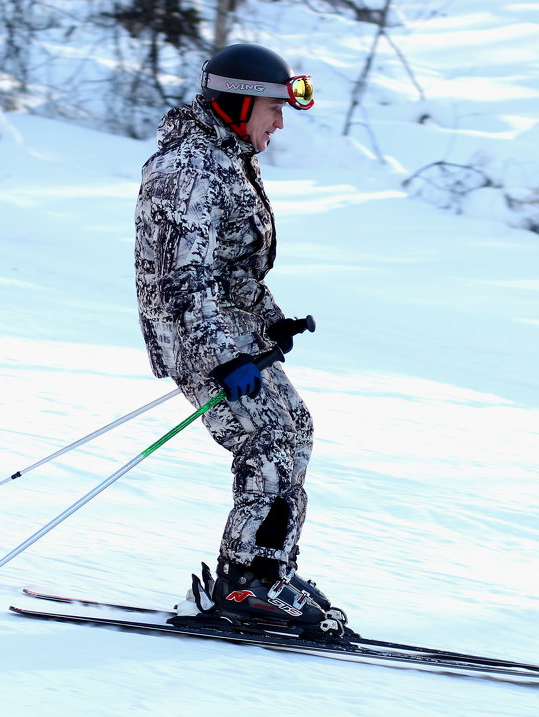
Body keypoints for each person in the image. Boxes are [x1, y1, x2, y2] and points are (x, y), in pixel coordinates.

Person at [134, 43, 344, 634]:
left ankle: (263, 567)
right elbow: (185, 281)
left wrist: (269, 320)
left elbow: (231, 269)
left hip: (229, 336)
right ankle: (247, 585)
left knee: (290, 429)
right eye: (273, 108)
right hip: (201, 341)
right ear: (238, 103)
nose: (280, 122)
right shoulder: (188, 169)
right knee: (272, 437)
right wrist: (226, 357)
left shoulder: (225, 160)